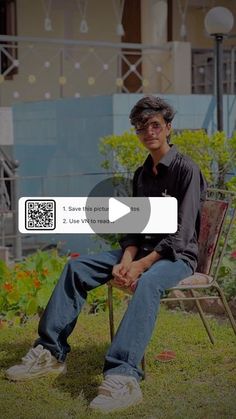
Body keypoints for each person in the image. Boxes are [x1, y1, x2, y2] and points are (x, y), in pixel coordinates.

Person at [6, 96, 207, 413]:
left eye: (155, 125)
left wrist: (140, 265)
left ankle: (123, 377)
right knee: (77, 269)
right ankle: (49, 352)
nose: (148, 132)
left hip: (176, 258)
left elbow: (180, 235)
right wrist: (127, 260)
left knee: (148, 283)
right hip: (140, 252)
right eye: (142, 128)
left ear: (168, 128)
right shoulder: (142, 174)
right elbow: (134, 227)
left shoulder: (186, 170)